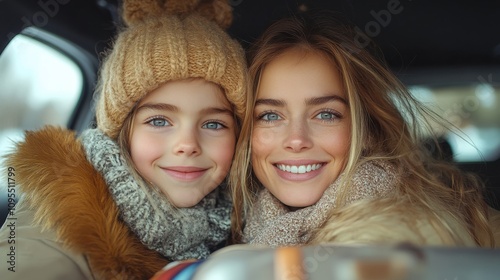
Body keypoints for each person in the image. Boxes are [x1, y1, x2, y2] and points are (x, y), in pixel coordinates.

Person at [0, 0, 247, 279]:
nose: (188, 144)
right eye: (159, 121)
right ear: (121, 133)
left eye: (213, 124)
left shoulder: (241, 222)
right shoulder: (56, 217)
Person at [229, 11, 500, 248]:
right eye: (270, 115)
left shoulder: (418, 236)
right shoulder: (234, 232)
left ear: (369, 130)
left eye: (325, 114)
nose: (297, 139)